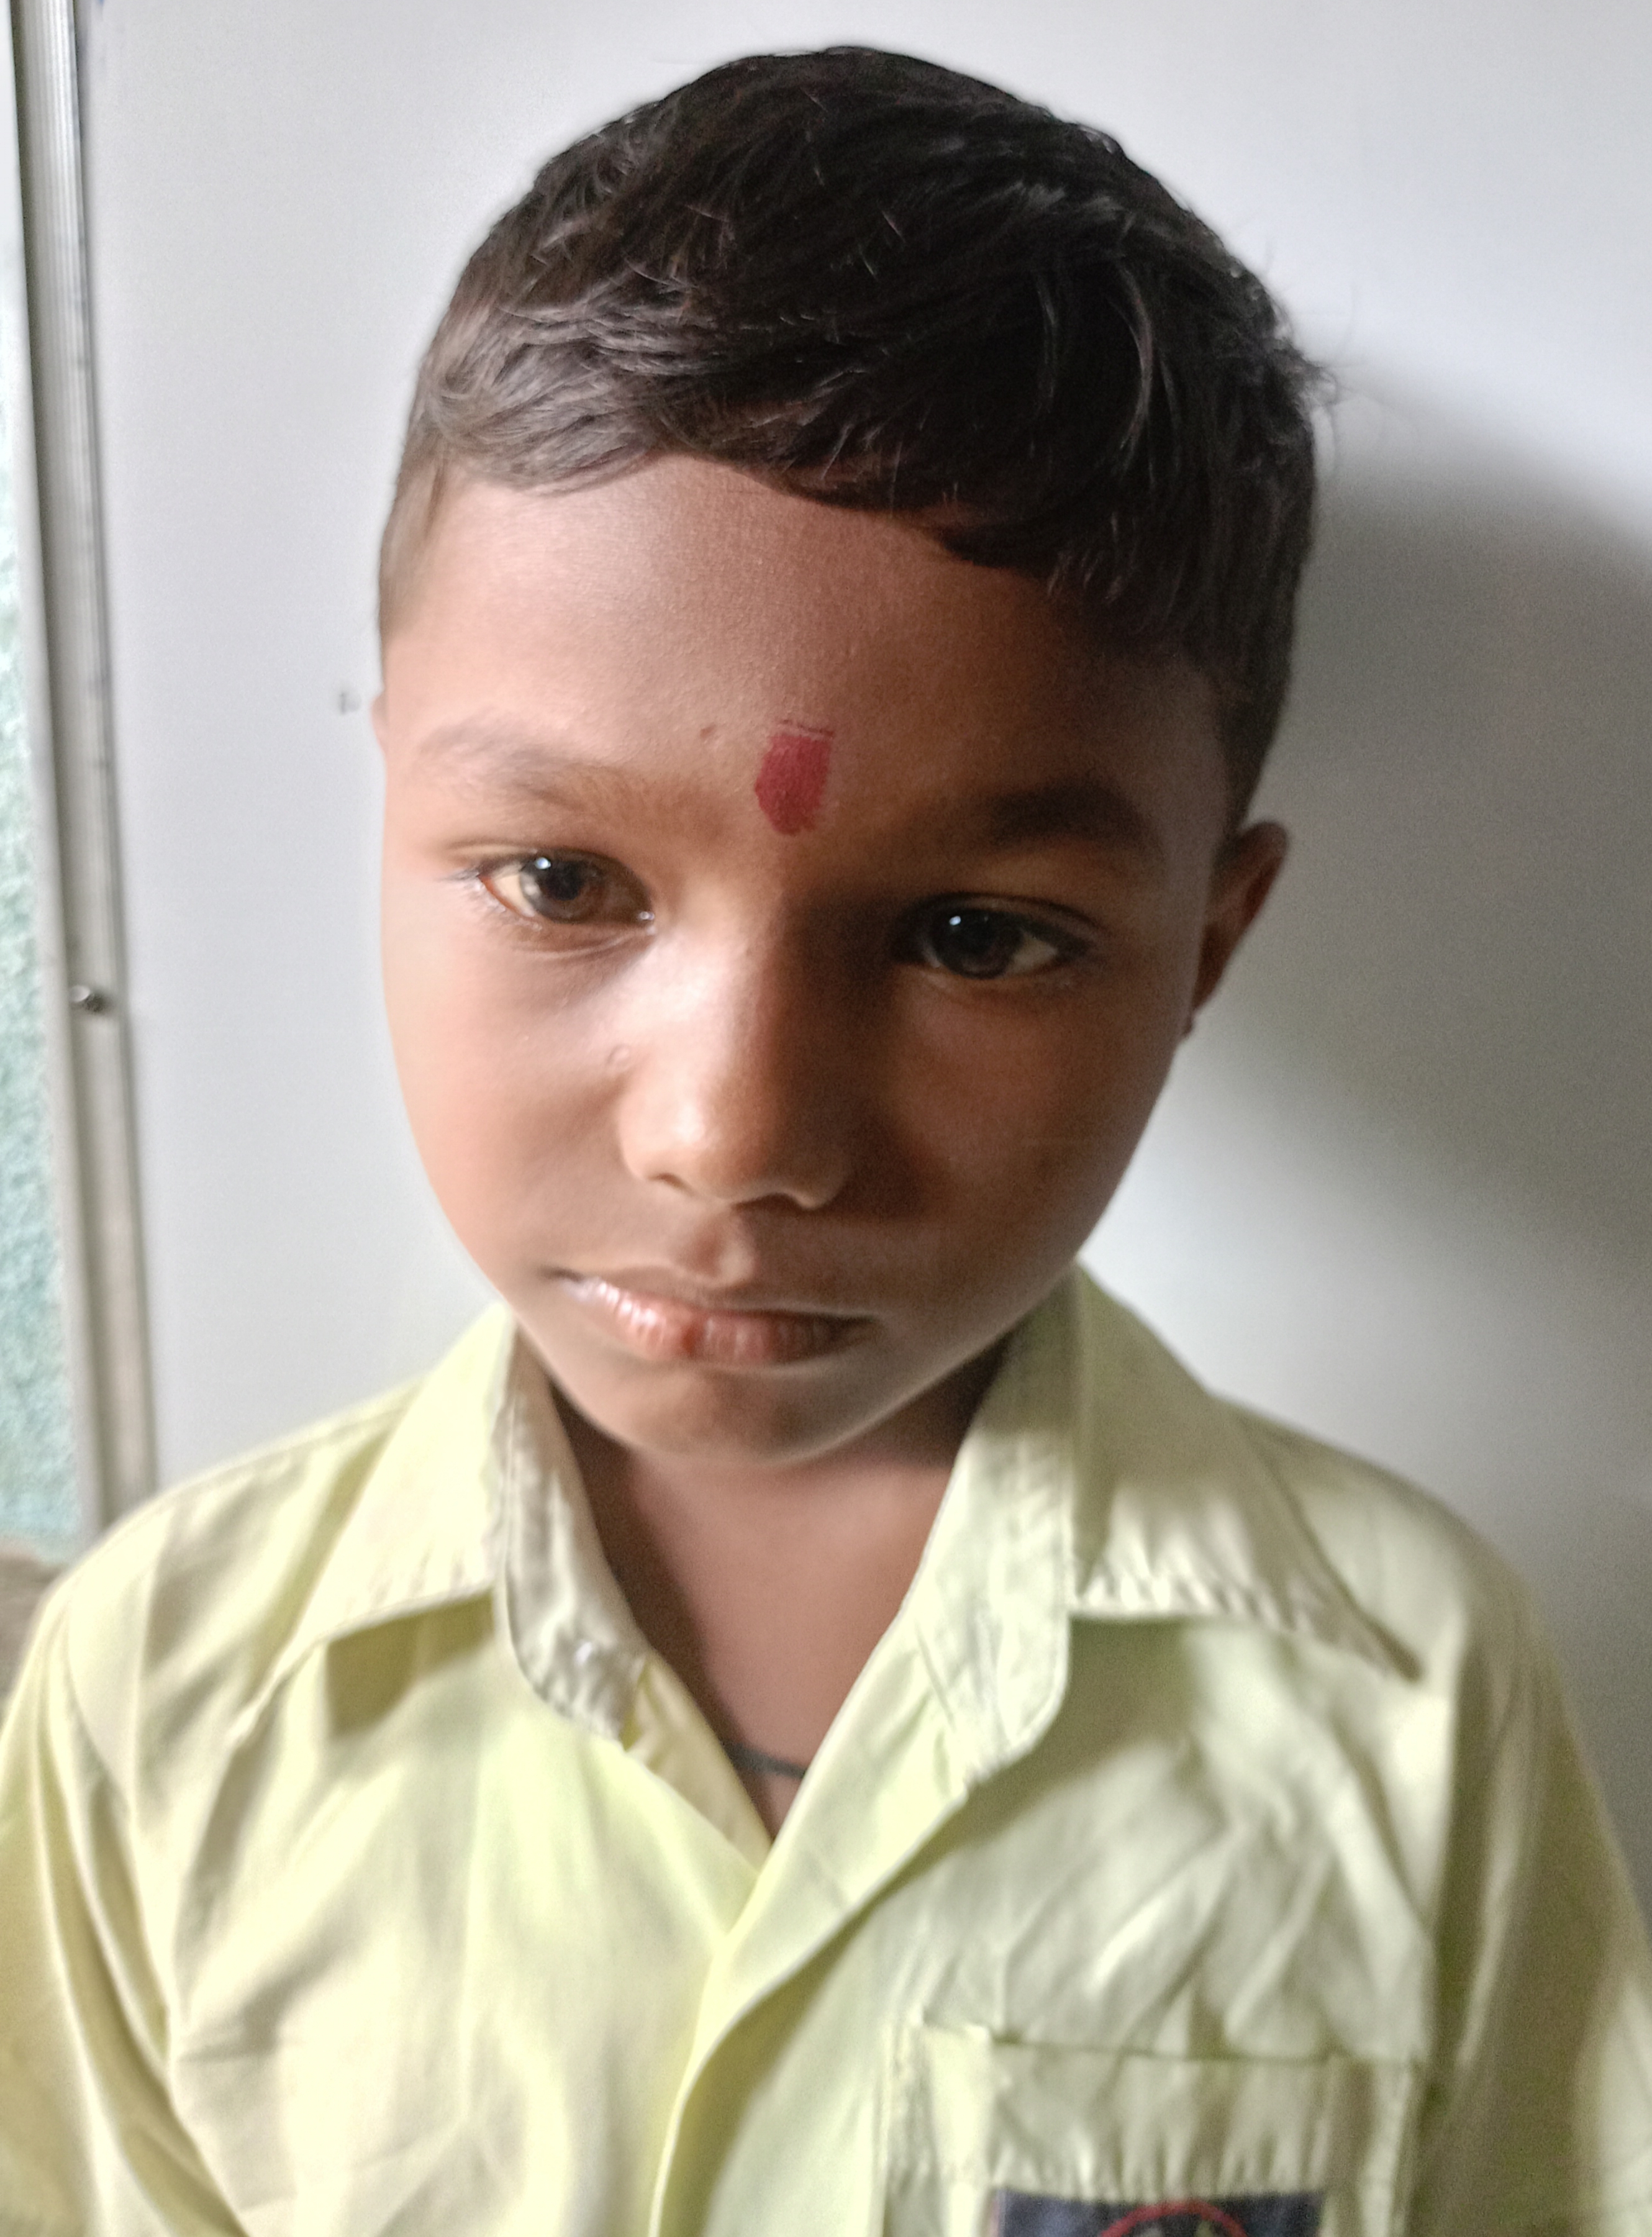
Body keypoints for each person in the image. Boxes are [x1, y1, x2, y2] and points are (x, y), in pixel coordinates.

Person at [2, 45, 1650, 2237]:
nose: (736, 1134)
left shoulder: (1409, 1702)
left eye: (975, 935)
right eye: (563, 880)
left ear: (1204, 943)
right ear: (390, 795)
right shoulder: (162, 1696)